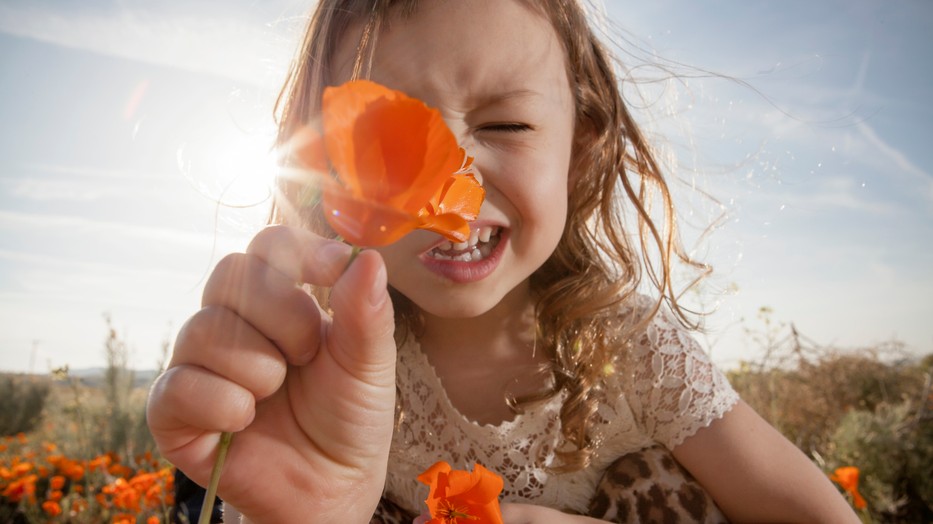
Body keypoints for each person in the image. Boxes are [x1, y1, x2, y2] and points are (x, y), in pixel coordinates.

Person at [147, 0, 861, 522]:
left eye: (506, 124)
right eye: (390, 144)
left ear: (580, 148)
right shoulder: (319, 376)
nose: (453, 176)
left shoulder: (637, 353)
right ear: (325, 167)